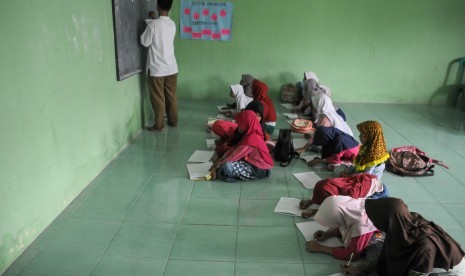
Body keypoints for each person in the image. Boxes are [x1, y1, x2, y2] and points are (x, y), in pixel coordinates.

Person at [341, 197, 465, 275]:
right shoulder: (399, 225)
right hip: (424, 263)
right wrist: (359, 270)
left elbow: (417, 274)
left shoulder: (424, 247)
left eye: (375, 219)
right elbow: (383, 255)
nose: (373, 223)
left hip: (447, 271)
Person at [140, 0, 178, 131]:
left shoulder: (153, 25)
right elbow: (163, 32)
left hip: (157, 69)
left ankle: (159, 125)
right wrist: (154, 21)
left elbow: (145, 42)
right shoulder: (172, 24)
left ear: (157, 5)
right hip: (172, 67)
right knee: (171, 96)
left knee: (158, 98)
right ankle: (173, 121)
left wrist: (151, 23)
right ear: (171, 7)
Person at [306, 196, 378, 261]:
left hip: (382, 237)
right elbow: (345, 223)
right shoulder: (351, 208)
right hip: (367, 229)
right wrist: (327, 234)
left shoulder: (361, 226)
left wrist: (321, 248)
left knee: (372, 258)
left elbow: (352, 255)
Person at [209, 110, 273, 182]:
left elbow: (234, 156)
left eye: (240, 124)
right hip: (255, 164)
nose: (238, 126)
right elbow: (235, 150)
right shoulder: (250, 134)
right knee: (224, 160)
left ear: (246, 124)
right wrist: (222, 159)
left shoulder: (251, 140)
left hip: (260, 170)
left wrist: (218, 165)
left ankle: (249, 176)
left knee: (227, 165)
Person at [299, 173, 387, 218]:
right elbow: (325, 190)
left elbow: (341, 209)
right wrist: (310, 201)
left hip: (378, 193)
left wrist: (314, 211)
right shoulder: (334, 183)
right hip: (372, 183)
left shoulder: (352, 195)